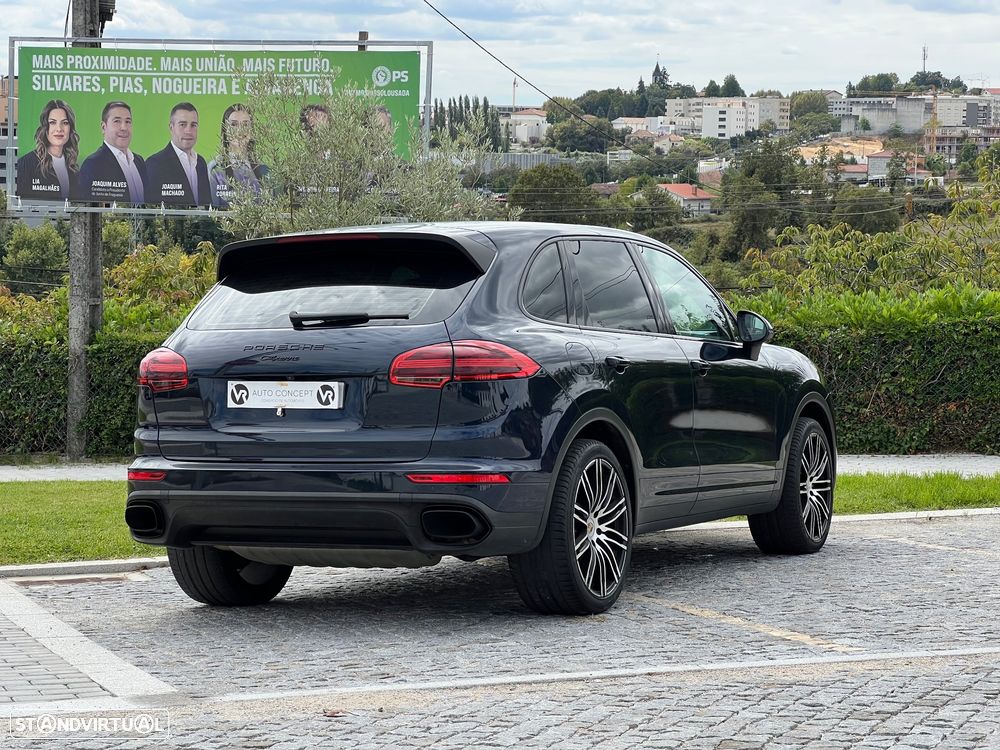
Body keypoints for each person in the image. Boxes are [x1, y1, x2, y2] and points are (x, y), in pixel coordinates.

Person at [78, 101, 147, 203]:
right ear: (103, 127)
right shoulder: (93, 164)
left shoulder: (139, 161)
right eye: (117, 121)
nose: (124, 127)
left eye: (128, 122)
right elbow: (87, 209)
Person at [145, 102, 211, 206]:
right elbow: (150, 211)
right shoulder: (155, 164)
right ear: (171, 128)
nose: (188, 131)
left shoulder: (201, 163)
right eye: (182, 124)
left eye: (193, 125)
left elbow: (207, 206)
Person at [16, 99, 80, 201]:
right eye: (52, 122)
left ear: (70, 128)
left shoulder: (74, 168)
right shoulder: (26, 163)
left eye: (65, 123)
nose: (59, 129)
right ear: (45, 127)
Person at [208, 103, 269, 208]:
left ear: (252, 131)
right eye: (234, 124)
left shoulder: (265, 170)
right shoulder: (215, 170)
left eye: (245, 124)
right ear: (225, 130)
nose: (240, 130)